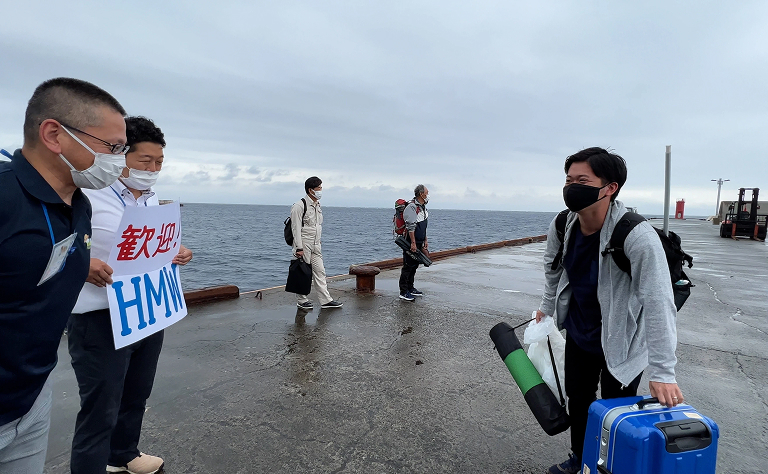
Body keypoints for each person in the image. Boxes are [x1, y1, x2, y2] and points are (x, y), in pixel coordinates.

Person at [0, 78, 127, 473]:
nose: (119, 161)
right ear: (54, 134)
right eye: (112, 148)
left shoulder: (79, 205)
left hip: (32, 400)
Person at [537, 147, 683, 474]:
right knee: (579, 400)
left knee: (615, 410)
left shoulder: (636, 235)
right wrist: (547, 308)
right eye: (569, 179)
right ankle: (580, 458)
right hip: (580, 331)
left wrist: (663, 372)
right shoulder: (562, 225)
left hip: (623, 339)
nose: (572, 186)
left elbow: (659, 302)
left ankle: (608, 466)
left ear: (610, 187)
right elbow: (553, 269)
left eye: (582, 180)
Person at [67, 116, 193, 474]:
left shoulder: (153, 202)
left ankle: (123, 453)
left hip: (146, 311)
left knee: (137, 393)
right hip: (98, 317)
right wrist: (83, 264)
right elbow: (54, 246)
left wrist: (178, 251)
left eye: (159, 163)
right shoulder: (84, 195)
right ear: (120, 155)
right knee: (100, 405)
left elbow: (148, 249)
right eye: (145, 161)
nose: (152, 169)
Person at [290, 177, 343, 310]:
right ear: (310, 190)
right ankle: (302, 300)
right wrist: (299, 248)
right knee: (303, 272)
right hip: (304, 244)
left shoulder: (317, 205)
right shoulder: (299, 206)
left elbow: (317, 225)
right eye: (319, 188)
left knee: (320, 271)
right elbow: (295, 228)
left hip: (316, 244)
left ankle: (325, 300)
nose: (321, 190)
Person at [399, 184, 429, 301]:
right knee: (408, 265)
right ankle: (403, 291)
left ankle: (410, 288)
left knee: (414, 265)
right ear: (421, 194)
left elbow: (423, 226)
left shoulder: (422, 207)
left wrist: (425, 240)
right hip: (410, 241)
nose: (428, 195)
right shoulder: (412, 207)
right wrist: (412, 243)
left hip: (419, 241)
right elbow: (411, 226)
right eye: (426, 192)